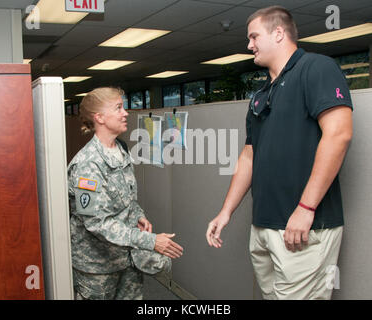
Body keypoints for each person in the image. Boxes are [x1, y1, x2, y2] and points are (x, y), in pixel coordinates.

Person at [206, 6, 353, 300]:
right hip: (264, 225)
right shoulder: (262, 94)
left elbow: (339, 134)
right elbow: (249, 156)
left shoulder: (316, 68)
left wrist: (306, 208)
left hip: (302, 226)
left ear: (278, 33)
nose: (249, 45)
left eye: (254, 36)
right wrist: (226, 212)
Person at [68, 87, 183, 300]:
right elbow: (96, 223)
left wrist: (138, 215)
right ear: (99, 117)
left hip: (127, 258)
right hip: (98, 267)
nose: (126, 112)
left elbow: (127, 199)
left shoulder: (120, 149)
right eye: (118, 107)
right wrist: (150, 241)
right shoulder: (88, 164)